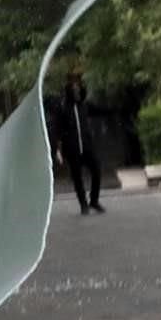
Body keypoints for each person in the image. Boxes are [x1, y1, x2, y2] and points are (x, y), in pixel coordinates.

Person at [54, 70, 105, 215]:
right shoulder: (63, 106)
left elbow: (96, 110)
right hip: (72, 148)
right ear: (69, 87)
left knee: (96, 170)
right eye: (73, 85)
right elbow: (57, 129)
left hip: (87, 145)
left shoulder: (83, 105)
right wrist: (58, 149)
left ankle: (94, 201)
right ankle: (83, 203)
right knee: (77, 177)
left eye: (78, 85)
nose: (76, 88)